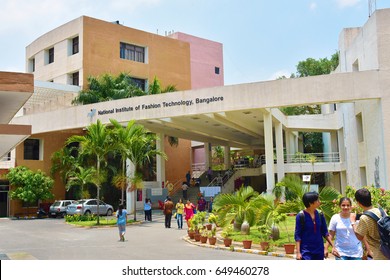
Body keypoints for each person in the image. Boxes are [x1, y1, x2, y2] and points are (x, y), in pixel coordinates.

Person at [294, 191, 334, 260]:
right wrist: (298, 252)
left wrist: (333, 246)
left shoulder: (320, 214)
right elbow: (298, 236)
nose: (320, 202)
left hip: (319, 251)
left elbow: (325, 232)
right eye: (317, 200)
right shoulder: (301, 216)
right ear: (310, 203)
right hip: (306, 251)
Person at [350, 188, 388, 260]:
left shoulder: (364, 218)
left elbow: (359, 237)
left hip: (380, 254)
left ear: (359, 203)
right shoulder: (381, 210)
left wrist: (353, 222)